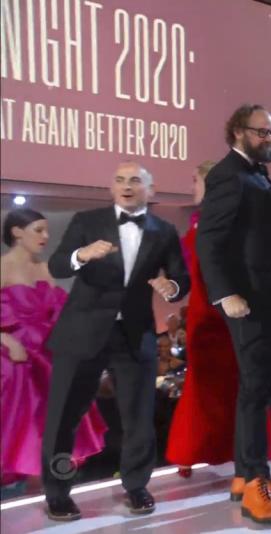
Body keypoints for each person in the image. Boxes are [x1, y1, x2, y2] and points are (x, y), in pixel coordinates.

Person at [41, 162, 190, 521]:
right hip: (82, 332)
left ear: (150, 190)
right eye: (120, 180)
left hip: (134, 334)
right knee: (63, 418)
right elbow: (58, 264)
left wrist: (172, 289)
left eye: (135, 180)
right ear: (112, 188)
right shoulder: (86, 221)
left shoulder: (164, 231)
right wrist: (81, 255)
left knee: (139, 417)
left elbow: (180, 277)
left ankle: (136, 486)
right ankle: (58, 493)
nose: (126, 186)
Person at [196, 104, 271, 525]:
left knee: (257, 388)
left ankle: (248, 475)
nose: (270, 140)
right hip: (247, 301)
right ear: (238, 131)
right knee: (256, 390)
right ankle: (255, 487)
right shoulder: (228, 175)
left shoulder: (256, 175)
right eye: (263, 133)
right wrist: (225, 293)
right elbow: (210, 240)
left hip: (264, 300)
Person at [166, 160, 271, 486]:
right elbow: (183, 277)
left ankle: (248, 462)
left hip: (236, 314)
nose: (193, 187)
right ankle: (192, 452)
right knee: (203, 390)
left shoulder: (234, 223)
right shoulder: (194, 227)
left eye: (197, 181)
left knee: (245, 388)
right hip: (205, 321)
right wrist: (171, 288)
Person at [1, 210, 107, 497]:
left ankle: (53, 487)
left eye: (47, 231)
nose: (46, 237)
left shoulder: (47, 269)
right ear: (16, 232)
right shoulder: (2, 268)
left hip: (50, 353)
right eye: (38, 230)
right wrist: (7, 341)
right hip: (17, 357)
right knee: (18, 415)